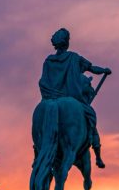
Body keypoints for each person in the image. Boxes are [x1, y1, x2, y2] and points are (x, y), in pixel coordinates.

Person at [39, 28, 111, 168]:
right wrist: (104, 70)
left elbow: (43, 82)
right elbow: (91, 68)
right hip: (72, 98)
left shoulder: (48, 61)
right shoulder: (74, 58)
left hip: (49, 99)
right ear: (66, 43)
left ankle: (37, 154)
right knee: (91, 117)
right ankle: (98, 156)